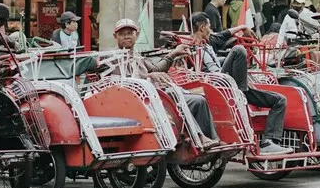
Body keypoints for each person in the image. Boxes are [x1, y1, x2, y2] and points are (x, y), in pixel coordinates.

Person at [189, 13, 288, 152]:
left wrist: (243, 27)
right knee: (239, 49)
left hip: (231, 84)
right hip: (217, 84)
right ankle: (242, 91)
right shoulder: (191, 47)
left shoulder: (209, 42)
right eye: (209, 27)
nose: (211, 31)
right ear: (202, 27)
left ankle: (269, 142)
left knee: (280, 100)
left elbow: (224, 34)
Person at [112, 18, 218, 147]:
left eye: (130, 33)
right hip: (138, 101)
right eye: (122, 34)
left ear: (137, 35)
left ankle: (211, 139)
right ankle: (199, 137)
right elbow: (123, 80)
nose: (126, 37)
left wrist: (173, 54)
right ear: (115, 37)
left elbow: (156, 69)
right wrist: (148, 76)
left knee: (198, 100)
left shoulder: (138, 56)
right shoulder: (112, 59)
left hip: (156, 96)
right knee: (173, 96)